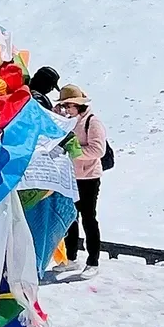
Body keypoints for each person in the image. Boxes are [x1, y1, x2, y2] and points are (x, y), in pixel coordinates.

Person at [55, 84, 107, 278]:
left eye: (69, 106)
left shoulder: (92, 123)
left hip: (89, 177)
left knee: (88, 218)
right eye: (64, 106)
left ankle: (93, 261)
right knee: (71, 217)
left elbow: (98, 150)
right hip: (70, 176)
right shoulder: (69, 121)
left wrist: (75, 152)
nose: (66, 110)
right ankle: (71, 258)